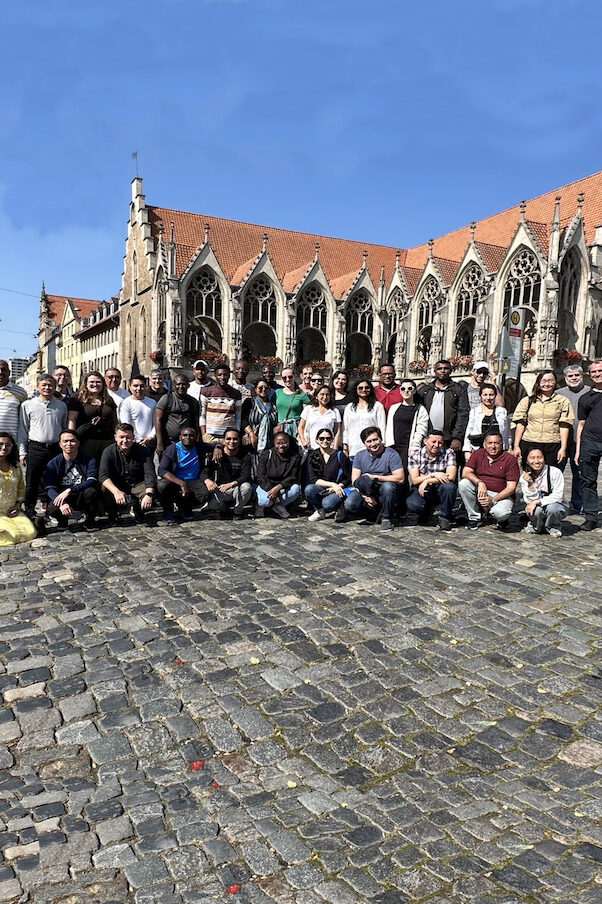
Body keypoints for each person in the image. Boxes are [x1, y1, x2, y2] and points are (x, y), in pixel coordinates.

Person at [18, 374, 68, 523]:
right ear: (38, 386)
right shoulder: (27, 405)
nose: (47, 388)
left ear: (55, 387)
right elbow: (23, 429)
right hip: (36, 447)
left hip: (55, 448)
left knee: (55, 480)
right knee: (32, 481)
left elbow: (64, 427)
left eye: (50, 385)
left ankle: (54, 510)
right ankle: (30, 511)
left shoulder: (61, 405)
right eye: (44, 385)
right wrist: (22, 451)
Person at [343, 427, 403, 531]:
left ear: (381, 439)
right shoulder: (359, 455)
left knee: (388, 487)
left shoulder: (391, 454)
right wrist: (365, 496)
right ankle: (372, 513)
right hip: (367, 489)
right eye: (369, 441)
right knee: (350, 503)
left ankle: (386, 518)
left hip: (385, 488)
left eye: (375, 440)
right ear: (364, 443)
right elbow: (355, 481)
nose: (373, 444)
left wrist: (375, 477)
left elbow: (400, 478)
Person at [511, 370, 573, 467]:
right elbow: (520, 424)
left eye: (550, 381)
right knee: (530, 475)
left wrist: (563, 448)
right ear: (538, 382)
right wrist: (516, 446)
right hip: (529, 442)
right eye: (543, 381)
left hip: (552, 443)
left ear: (555, 382)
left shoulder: (563, 401)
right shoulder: (527, 401)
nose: (547, 384)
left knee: (550, 476)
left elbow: (564, 425)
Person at [459, 432, 520, 530]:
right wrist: (480, 483)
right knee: (464, 483)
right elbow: (466, 472)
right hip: (481, 491)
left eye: (496, 443)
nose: (493, 446)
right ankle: (474, 517)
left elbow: (511, 488)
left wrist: (493, 500)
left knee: (500, 513)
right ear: (484, 444)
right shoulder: (478, 454)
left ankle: (501, 520)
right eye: (490, 443)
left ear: (502, 444)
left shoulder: (510, 459)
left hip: (501, 495)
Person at [99, 423, 157, 524]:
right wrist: (116, 492)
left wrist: (148, 494)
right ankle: (113, 513)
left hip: (137, 484)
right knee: (104, 488)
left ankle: (139, 510)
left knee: (151, 490)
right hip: (117, 484)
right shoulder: (108, 452)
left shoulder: (143, 451)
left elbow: (150, 474)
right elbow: (103, 475)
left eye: (128, 437)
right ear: (115, 437)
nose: (125, 441)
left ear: (133, 437)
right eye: (121, 437)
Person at [44, 430, 99, 532]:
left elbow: (92, 480)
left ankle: (90, 520)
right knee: (52, 507)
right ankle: (62, 521)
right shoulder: (53, 463)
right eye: (65, 441)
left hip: (81, 494)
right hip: (63, 496)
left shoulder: (89, 460)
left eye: (72, 441)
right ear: (60, 444)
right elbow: (49, 487)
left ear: (78, 443)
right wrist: (62, 503)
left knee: (92, 492)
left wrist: (71, 489)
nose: (69, 444)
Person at [416, 360, 469, 460]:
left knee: (450, 469)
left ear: (451, 371)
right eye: (439, 368)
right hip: (429, 438)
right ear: (435, 371)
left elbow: (463, 414)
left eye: (446, 368)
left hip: (449, 438)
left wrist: (457, 437)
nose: (443, 371)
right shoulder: (426, 390)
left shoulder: (458, 390)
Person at [157, 426, 212, 522]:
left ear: (195, 437)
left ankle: (186, 506)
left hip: (194, 480)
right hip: (176, 479)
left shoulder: (199, 446)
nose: (188, 438)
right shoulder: (172, 449)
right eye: (185, 435)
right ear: (180, 437)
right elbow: (162, 470)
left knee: (205, 493)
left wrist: (218, 448)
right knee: (162, 486)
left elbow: (214, 445)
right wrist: (181, 483)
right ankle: (168, 510)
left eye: (191, 436)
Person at [406, 430, 457, 531]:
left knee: (449, 487)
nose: (436, 445)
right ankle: (424, 511)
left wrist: (427, 480)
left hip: (439, 486)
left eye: (440, 443)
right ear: (425, 441)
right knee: (413, 504)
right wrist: (433, 475)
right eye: (433, 442)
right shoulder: (415, 455)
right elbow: (415, 480)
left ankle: (444, 517)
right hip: (421, 488)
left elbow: (451, 477)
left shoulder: (449, 453)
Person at [556, 363, 589, 513]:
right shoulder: (558, 394)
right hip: (560, 441)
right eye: (570, 375)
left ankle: (578, 502)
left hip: (581, 441)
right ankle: (555, 500)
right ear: (565, 377)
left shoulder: (590, 392)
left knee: (579, 474)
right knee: (556, 472)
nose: (574, 378)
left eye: (577, 375)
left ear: (582, 376)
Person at [201, 428, 253, 519]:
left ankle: (238, 511)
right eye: (228, 439)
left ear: (239, 440)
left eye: (235, 439)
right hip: (220, 489)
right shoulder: (217, 454)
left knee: (247, 487)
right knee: (211, 507)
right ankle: (223, 508)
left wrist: (230, 484)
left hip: (236, 488)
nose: (231, 442)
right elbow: (204, 471)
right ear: (224, 441)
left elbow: (246, 476)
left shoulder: (244, 455)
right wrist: (207, 480)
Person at [67, 371, 118, 463]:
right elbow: (72, 419)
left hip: (106, 440)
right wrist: (71, 437)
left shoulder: (108, 399)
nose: (95, 384)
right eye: (92, 382)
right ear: (86, 384)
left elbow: (114, 421)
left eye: (98, 382)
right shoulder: (77, 398)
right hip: (86, 440)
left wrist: (117, 437)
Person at [575, 359, 602, 531]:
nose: (597, 374)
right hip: (589, 442)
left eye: (600, 371)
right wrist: (578, 450)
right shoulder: (585, 398)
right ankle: (591, 516)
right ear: (589, 375)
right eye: (594, 372)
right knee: (588, 481)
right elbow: (581, 424)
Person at [304, 428, 352, 522]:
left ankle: (340, 507)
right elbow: (314, 479)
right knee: (309, 489)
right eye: (322, 438)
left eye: (328, 438)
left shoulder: (339, 455)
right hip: (324, 487)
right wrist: (332, 485)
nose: (325, 441)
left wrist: (337, 486)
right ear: (317, 440)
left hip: (339, 488)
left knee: (328, 504)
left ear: (332, 440)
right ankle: (319, 510)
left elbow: (347, 477)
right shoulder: (313, 455)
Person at [519, 448, 567, 538]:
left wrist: (537, 502)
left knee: (552, 508)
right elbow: (529, 501)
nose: (536, 461)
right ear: (526, 460)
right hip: (537, 505)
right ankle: (536, 526)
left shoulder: (555, 472)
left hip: (557, 504)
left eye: (539, 457)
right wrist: (530, 484)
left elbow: (558, 496)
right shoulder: (524, 477)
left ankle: (553, 527)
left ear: (544, 459)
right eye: (532, 458)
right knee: (535, 510)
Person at [384, 378, 429, 471]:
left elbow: (421, 430)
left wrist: (414, 446)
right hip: (394, 446)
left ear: (414, 390)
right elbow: (388, 428)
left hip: (409, 447)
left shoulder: (420, 409)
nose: (406, 391)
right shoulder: (394, 408)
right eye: (403, 389)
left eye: (410, 388)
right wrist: (388, 446)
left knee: (406, 472)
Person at [0, 432, 36, 546]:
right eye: (0, 444)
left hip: (11, 510)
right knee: (11, 536)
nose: (4, 447)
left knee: (30, 532)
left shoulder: (15, 465)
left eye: (8, 445)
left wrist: (18, 506)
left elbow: (21, 488)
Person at [255, 431, 302, 519]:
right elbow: (261, 476)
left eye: (284, 443)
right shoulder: (266, 455)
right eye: (278, 443)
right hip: (266, 486)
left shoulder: (294, 457)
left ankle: (278, 506)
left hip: (282, 487)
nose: (281, 446)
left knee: (296, 489)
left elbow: (293, 477)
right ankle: (260, 506)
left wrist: (279, 487)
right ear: (274, 443)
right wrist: (271, 490)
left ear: (289, 443)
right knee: (264, 501)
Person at [154, 374, 201, 458]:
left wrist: (196, 441)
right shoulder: (166, 399)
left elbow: (196, 422)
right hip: (168, 441)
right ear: (174, 385)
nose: (181, 386)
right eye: (178, 384)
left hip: (187, 442)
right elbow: (158, 420)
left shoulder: (193, 402)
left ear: (188, 385)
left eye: (184, 384)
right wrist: (159, 442)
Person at [342, 380, 386, 460]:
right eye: (360, 388)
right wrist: (345, 447)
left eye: (367, 387)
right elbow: (345, 429)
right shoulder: (349, 407)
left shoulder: (377, 406)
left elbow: (382, 427)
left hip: (372, 449)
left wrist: (381, 445)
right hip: (354, 448)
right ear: (356, 390)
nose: (364, 390)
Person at [463, 383, 509, 458]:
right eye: (485, 395)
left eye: (491, 395)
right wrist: (467, 451)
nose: (488, 398)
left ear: (495, 396)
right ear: (480, 396)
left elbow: (505, 432)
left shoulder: (502, 411)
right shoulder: (474, 412)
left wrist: (505, 448)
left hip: (496, 451)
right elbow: (469, 431)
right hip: (478, 449)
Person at [199, 364, 242, 443]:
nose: (222, 377)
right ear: (215, 376)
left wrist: (236, 433)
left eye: (225, 375)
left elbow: (238, 417)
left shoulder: (236, 394)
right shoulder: (206, 391)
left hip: (228, 436)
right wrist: (204, 434)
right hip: (210, 435)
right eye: (219, 375)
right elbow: (202, 415)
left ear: (229, 376)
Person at [298, 386, 341, 451]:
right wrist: (303, 441)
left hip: (328, 448)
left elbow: (337, 431)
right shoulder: (309, 409)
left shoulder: (334, 411)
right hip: (311, 447)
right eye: (322, 394)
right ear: (316, 396)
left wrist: (335, 447)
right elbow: (301, 427)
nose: (325, 397)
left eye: (327, 395)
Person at [119, 376, 156, 449]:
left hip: (150, 443)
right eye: (135, 386)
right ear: (130, 387)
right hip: (132, 443)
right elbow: (126, 424)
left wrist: (151, 436)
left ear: (146, 387)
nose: (139, 389)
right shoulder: (125, 403)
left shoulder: (152, 402)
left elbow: (156, 422)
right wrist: (138, 439)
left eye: (142, 386)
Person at [242, 379, 279, 453]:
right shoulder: (249, 402)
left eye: (266, 388)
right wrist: (251, 434)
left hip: (270, 442)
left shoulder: (274, 405)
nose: (263, 389)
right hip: (252, 440)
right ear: (255, 389)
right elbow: (243, 420)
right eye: (260, 388)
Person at [274, 367, 310, 438]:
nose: (287, 380)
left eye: (290, 377)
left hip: (296, 428)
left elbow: (307, 414)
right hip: (280, 428)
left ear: (294, 376)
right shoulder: (277, 393)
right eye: (284, 378)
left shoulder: (302, 395)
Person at [0, 359, 28, 442]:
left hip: (11, 444)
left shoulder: (21, 392)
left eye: (3, 369)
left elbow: (24, 420)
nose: (0, 372)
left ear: (9, 372)